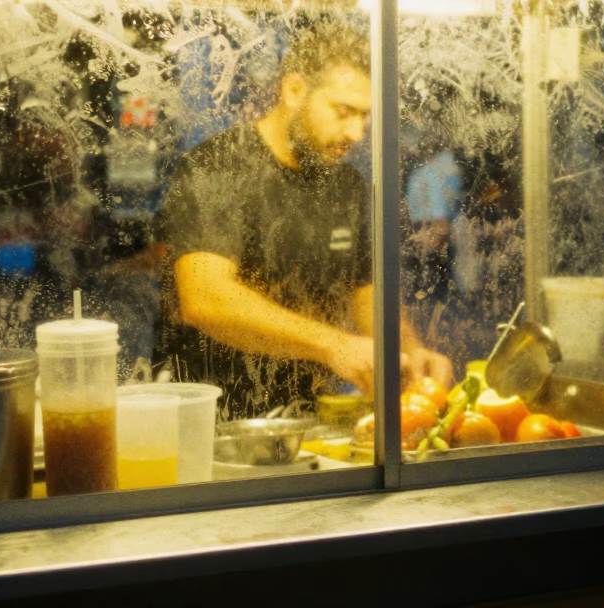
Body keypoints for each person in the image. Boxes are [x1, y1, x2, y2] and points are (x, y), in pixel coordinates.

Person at [156, 23, 453, 418]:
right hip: (209, 418)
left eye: (365, 117)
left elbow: (365, 293)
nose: (356, 132)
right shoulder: (217, 167)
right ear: (294, 90)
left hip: (304, 418)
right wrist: (334, 345)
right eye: (343, 111)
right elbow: (205, 299)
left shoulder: (346, 185)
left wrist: (410, 352)